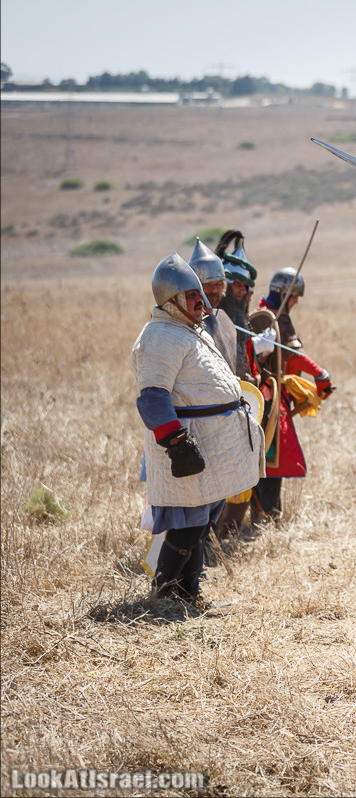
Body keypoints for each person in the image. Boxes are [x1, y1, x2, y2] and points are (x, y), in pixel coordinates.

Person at [131, 253, 264, 608]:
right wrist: (177, 444)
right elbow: (152, 399)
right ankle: (164, 594)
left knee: (200, 522)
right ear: (172, 300)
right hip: (186, 444)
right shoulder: (159, 337)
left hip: (208, 443)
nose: (202, 304)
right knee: (188, 525)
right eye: (194, 298)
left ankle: (190, 593)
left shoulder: (183, 329)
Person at [251, 267, 335, 521]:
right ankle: (265, 516)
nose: (296, 301)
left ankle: (265, 515)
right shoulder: (269, 317)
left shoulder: (272, 314)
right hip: (267, 398)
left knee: (272, 458)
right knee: (271, 459)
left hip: (274, 396)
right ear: (283, 294)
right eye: (294, 296)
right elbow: (292, 356)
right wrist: (320, 375)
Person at [188, 238, 239, 372]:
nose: (214, 290)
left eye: (218, 284)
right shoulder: (187, 323)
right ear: (195, 287)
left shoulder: (224, 318)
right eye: (208, 285)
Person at [214, 230, 259, 381]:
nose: (242, 290)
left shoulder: (242, 320)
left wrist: (255, 377)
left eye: (245, 286)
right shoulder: (211, 319)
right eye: (238, 284)